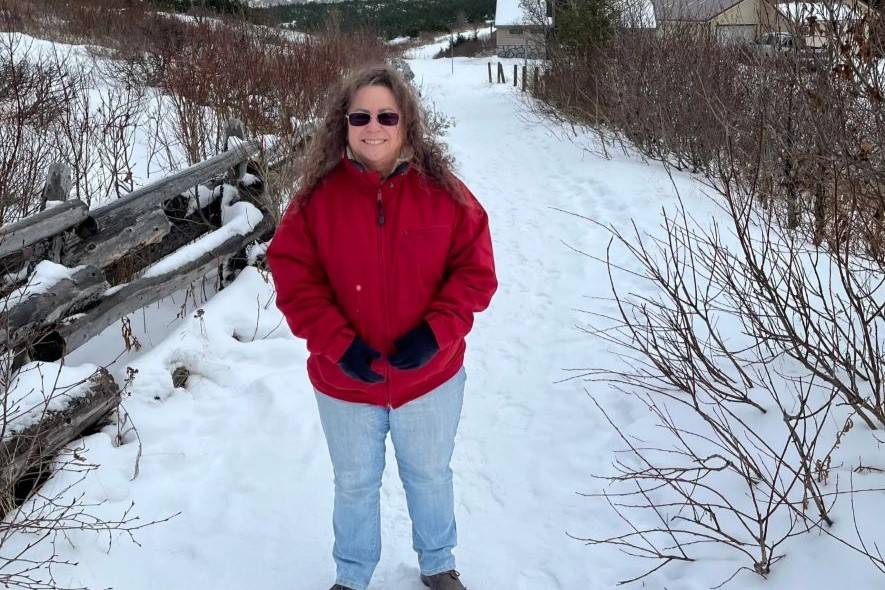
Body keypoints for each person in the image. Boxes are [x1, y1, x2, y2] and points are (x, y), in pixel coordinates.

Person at [266, 65, 497, 590]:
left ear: (406, 121)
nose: (374, 126)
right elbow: (294, 277)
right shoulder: (315, 200)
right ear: (343, 124)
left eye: (387, 115)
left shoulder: (446, 193)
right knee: (353, 484)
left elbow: (476, 272)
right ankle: (352, 575)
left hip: (430, 379)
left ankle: (439, 565)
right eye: (361, 116)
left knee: (430, 476)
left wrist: (437, 333)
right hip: (346, 381)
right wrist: (337, 345)